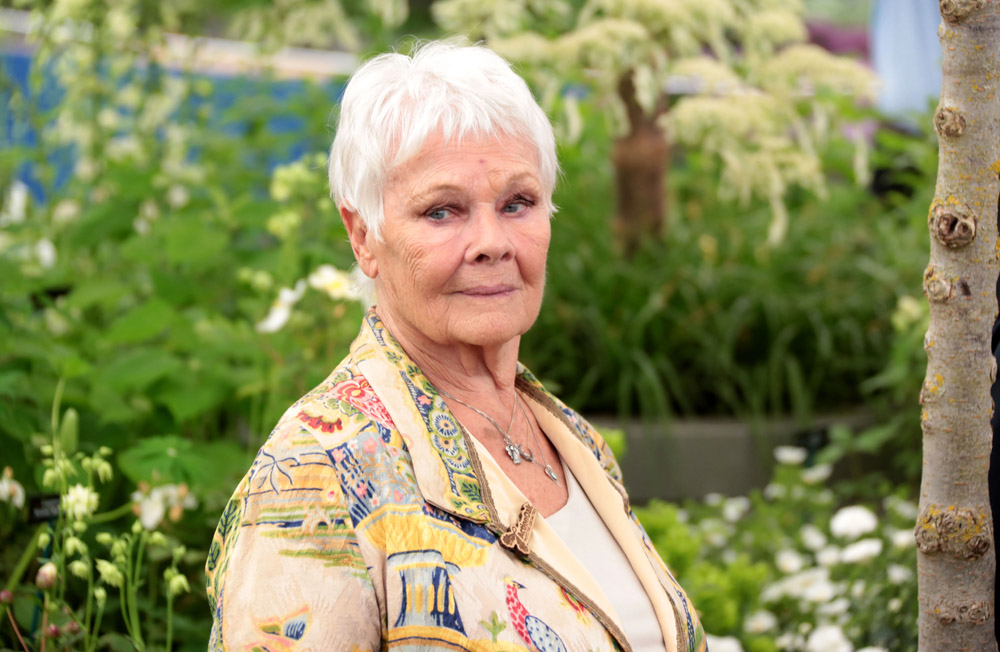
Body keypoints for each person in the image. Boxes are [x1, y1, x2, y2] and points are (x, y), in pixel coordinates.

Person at [205, 41, 706, 652]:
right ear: (363, 236)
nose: (492, 242)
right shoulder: (317, 474)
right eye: (443, 212)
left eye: (517, 203)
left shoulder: (572, 443)